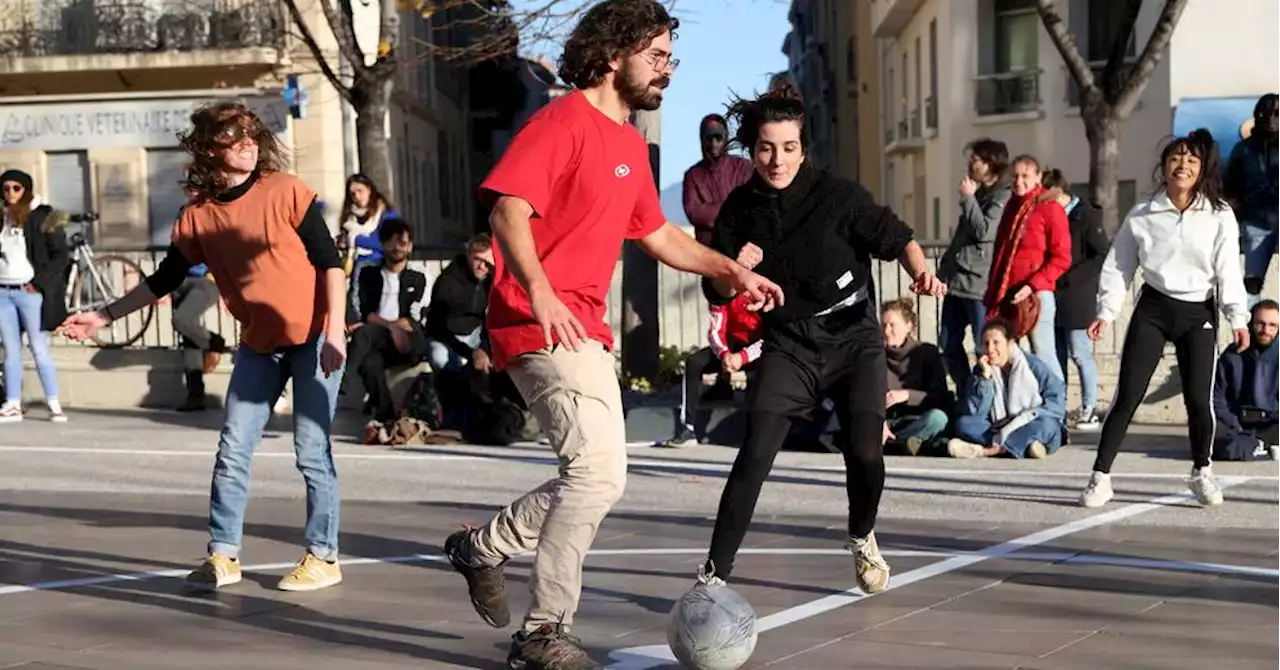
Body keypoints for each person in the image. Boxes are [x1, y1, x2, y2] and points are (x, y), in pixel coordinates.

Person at [439, 3, 784, 668]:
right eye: (656, 55)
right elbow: (509, 209)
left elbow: (656, 234)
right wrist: (538, 290)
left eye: (669, 57)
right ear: (611, 55)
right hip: (533, 319)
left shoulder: (629, 143)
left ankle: (483, 547)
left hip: (585, 327)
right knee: (594, 472)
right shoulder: (560, 123)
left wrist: (730, 270)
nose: (668, 70)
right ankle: (543, 633)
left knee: (602, 478)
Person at [56, 101, 348, 592]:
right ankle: (223, 556)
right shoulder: (198, 217)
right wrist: (102, 316)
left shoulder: (287, 191)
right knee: (233, 448)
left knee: (311, 451)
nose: (250, 143)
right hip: (260, 344)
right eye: (237, 137)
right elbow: (163, 280)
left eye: (254, 135)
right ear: (213, 147)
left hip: (318, 337)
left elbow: (329, 263)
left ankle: (324, 556)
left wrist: (336, 329)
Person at [694, 85, 946, 595]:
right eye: (766, 147)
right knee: (755, 452)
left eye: (788, 147)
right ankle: (713, 576)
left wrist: (921, 273)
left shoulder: (838, 197)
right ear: (752, 148)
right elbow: (714, 288)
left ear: (803, 148)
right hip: (790, 343)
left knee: (865, 451)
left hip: (853, 337)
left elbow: (897, 237)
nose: (777, 159)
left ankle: (861, 535)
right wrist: (733, 271)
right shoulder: (740, 207)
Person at [1081, 128, 1250, 508]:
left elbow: (1228, 271)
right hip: (1153, 309)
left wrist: (1237, 318)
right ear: (1164, 166)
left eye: (1192, 160)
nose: (1183, 165)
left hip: (1198, 311)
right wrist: (1105, 312)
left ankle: (1201, 472)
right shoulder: (1143, 212)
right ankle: (1100, 476)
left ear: (1202, 167)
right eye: (1176, 158)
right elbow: (1119, 265)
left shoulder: (1219, 214)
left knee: (1198, 400)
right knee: (1128, 395)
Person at [983, 154, 1071, 381]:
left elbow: (1061, 258)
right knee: (1010, 356)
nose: (1019, 181)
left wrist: (1033, 285)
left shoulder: (1049, 208)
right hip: (1008, 294)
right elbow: (1000, 253)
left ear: (1038, 177)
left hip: (1036, 295)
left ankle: (1055, 410)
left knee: (1044, 355)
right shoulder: (1011, 207)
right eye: (1015, 176)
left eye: (1025, 176)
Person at [937, 138, 1012, 387]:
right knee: (948, 343)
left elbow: (983, 232)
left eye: (975, 160)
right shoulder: (979, 194)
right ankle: (968, 390)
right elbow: (961, 238)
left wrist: (967, 199)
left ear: (990, 163)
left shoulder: (1002, 195)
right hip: (957, 283)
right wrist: (942, 273)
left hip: (980, 285)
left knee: (984, 346)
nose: (970, 164)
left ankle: (987, 395)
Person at [347, 218, 429, 443]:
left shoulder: (418, 276)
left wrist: (395, 327)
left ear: (410, 246)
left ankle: (343, 381)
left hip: (409, 340)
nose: (397, 248)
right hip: (379, 337)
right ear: (382, 245)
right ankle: (387, 416)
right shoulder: (368, 274)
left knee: (365, 333)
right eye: (391, 242)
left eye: (402, 243)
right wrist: (391, 326)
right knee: (370, 362)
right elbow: (365, 311)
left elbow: (415, 317)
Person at [665, 272, 765, 448]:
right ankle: (688, 428)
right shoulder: (721, 289)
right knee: (695, 362)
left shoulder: (764, 290)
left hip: (761, 346)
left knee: (767, 367)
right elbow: (715, 330)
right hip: (732, 345)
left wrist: (743, 357)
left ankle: (760, 432)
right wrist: (724, 354)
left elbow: (771, 338)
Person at [1042, 169, 1109, 431]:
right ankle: (1057, 408)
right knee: (1054, 354)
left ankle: (1090, 407)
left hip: (1078, 294)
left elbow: (1100, 253)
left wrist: (1072, 277)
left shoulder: (1085, 215)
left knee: (1079, 351)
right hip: (1053, 291)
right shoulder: (1049, 216)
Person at [0, 169, 69, 422]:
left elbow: (61, 255)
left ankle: (53, 402)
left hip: (29, 292)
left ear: (26, 190)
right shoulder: (1, 216)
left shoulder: (45, 215)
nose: (10, 194)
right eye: (6, 188)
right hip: (3, 292)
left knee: (39, 347)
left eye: (16, 188)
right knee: (11, 350)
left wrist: (39, 283)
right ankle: (12, 403)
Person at [947, 319, 1067, 459]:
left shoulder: (1032, 365)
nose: (990, 349)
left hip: (1031, 421)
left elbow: (1056, 401)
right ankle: (1027, 446)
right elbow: (976, 411)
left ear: (1009, 343)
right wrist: (985, 379)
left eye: (996, 342)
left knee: (1048, 426)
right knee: (964, 424)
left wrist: (1020, 418)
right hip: (999, 426)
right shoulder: (981, 370)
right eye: (986, 344)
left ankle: (988, 451)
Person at [1223, 93, 1280, 308]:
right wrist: (1235, 210)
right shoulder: (1243, 149)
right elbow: (1229, 187)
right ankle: (1250, 330)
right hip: (1255, 222)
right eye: (1264, 112)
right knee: (1252, 283)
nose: (1270, 117)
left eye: (1277, 113)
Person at [880, 298, 951, 456]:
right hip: (884, 421)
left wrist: (906, 395)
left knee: (938, 418)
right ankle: (905, 443)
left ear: (908, 326)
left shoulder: (927, 352)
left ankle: (899, 442)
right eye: (883, 325)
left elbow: (940, 396)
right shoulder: (875, 355)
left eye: (892, 325)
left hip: (916, 419)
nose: (886, 331)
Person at [1213, 300, 1280, 461]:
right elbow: (1217, 398)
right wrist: (1234, 424)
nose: (1266, 330)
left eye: (1272, 325)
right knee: (1210, 440)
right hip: (1236, 423)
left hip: (1273, 422)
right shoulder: (1232, 355)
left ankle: (1260, 442)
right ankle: (1260, 445)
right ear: (1251, 323)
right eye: (1260, 324)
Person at [424, 233, 494, 374]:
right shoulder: (447, 282)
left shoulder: (489, 282)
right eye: (477, 260)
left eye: (487, 263)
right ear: (468, 255)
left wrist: (484, 349)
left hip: (475, 333)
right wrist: (471, 353)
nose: (482, 266)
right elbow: (439, 327)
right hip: (446, 337)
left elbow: (491, 319)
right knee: (440, 358)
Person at [682, 113, 753, 246]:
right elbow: (694, 212)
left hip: (741, 248)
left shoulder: (743, 168)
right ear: (702, 140)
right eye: (709, 139)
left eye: (718, 138)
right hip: (708, 251)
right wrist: (731, 210)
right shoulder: (693, 175)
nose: (713, 144)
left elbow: (750, 207)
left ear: (726, 138)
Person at [172, 262, 230, 412]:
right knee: (188, 335)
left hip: (203, 281)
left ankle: (214, 342)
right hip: (178, 282)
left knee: (182, 320)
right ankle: (195, 394)